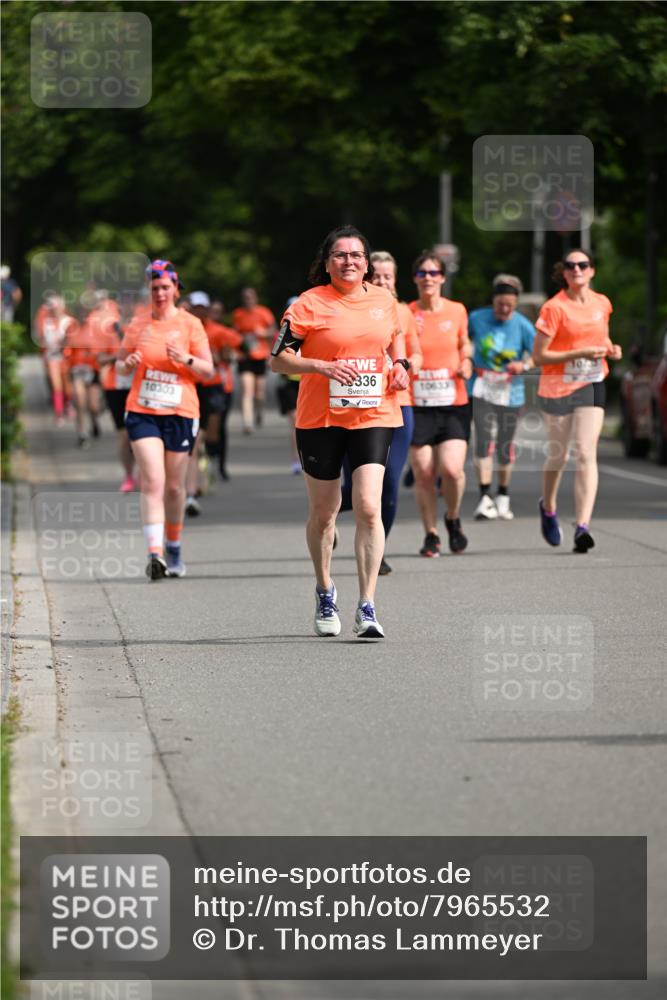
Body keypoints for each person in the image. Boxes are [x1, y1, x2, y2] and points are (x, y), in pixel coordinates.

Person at [270, 226, 410, 638]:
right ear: (326, 262)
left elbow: (395, 344)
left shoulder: (386, 301)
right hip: (320, 417)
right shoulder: (308, 304)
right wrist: (321, 367)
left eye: (356, 255)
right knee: (325, 513)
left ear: (367, 263)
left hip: (374, 413)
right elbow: (279, 360)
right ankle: (325, 588)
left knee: (369, 506)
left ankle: (367, 605)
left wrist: (401, 367)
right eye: (340, 255)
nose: (349, 261)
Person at [116, 260, 213, 579]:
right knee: (153, 481)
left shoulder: (190, 325)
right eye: (154, 288)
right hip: (143, 410)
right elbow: (119, 366)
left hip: (181, 412)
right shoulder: (138, 324)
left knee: (174, 487)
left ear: (175, 289)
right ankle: (154, 553)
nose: (159, 293)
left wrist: (183, 358)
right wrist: (127, 364)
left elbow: (208, 370)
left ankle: (173, 545)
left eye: (165, 287)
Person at [533, 249, 621, 553]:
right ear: (564, 272)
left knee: (586, 452)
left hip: (591, 382)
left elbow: (602, 338)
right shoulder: (554, 308)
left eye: (582, 264)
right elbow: (539, 356)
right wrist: (579, 353)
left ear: (592, 270)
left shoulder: (602, 303)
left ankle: (582, 526)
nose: (576, 269)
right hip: (557, 386)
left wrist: (611, 350)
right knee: (559, 455)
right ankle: (548, 506)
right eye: (570, 265)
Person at [339, 251, 422, 574]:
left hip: (398, 406)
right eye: (378, 276)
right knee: (351, 487)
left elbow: (415, 352)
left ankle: (378, 548)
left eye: (389, 276)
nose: (383, 281)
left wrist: (405, 367)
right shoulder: (352, 309)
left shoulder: (402, 312)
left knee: (388, 483)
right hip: (357, 407)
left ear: (396, 280)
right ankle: (326, 514)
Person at [408, 251, 472, 556]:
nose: (428, 278)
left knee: (452, 469)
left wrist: (468, 360)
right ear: (415, 279)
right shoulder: (406, 312)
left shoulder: (457, 310)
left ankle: (453, 517)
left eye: (434, 273)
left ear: (443, 278)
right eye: (423, 273)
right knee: (423, 472)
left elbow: (464, 342)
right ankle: (431, 533)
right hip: (416, 402)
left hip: (452, 401)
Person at [469, 274, 536, 521]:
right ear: (493, 301)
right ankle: (484, 496)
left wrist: (524, 364)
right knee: (484, 439)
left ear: (516, 303)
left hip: (511, 391)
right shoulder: (477, 318)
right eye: (500, 305)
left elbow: (538, 353)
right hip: (482, 388)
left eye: (509, 305)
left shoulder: (522, 325)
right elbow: (461, 340)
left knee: (505, 444)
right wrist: (466, 356)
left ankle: (503, 495)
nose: (504, 310)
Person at [232, 287, 277, 433]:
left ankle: (259, 411)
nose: (248, 299)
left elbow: (275, 332)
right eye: (245, 297)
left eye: (250, 297)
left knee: (259, 393)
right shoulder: (238, 314)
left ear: (255, 298)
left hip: (261, 356)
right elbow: (234, 334)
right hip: (244, 357)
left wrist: (263, 333)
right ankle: (247, 422)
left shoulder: (263, 312)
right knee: (247, 390)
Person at [34, 295, 75, 424]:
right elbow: (41, 338)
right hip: (52, 356)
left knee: (67, 384)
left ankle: (68, 404)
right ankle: (58, 412)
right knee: (56, 384)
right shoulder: (46, 322)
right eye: (53, 308)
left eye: (57, 307)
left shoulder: (69, 321)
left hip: (66, 357)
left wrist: (65, 344)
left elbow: (73, 340)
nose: (55, 310)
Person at [276, 296, 303, 474]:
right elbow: (275, 360)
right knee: (294, 422)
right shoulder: (284, 332)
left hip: (311, 383)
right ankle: (296, 459)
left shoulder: (313, 328)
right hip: (290, 383)